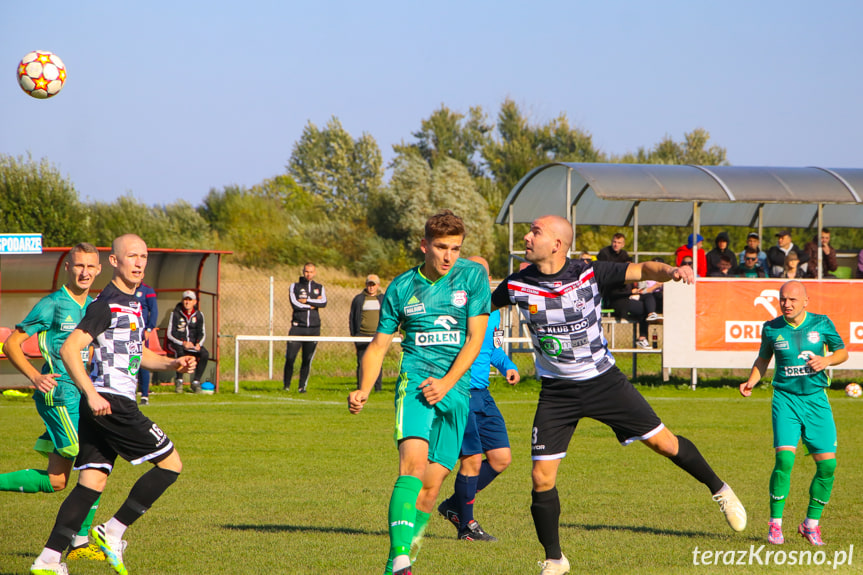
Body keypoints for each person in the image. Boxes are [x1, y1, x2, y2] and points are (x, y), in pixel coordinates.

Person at [492, 215, 746, 575]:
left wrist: (673, 271)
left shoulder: (589, 272)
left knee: (664, 444)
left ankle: (720, 490)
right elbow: (479, 309)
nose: (527, 236)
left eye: (536, 232)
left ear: (557, 245)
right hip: (557, 392)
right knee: (541, 478)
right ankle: (555, 559)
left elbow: (644, 268)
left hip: (604, 382)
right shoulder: (517, 284)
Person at [30, 234, 196, 575]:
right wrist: (91, 393)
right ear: (115, 262)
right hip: (112, 402)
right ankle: (113, 530)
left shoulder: (135, 303)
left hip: (103, 405)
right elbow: (69, 348)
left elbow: (139, 354)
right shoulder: (105, 305)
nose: (139, 262)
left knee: (92, 483)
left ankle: (48, 559)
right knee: (171, 465)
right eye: (131, 256)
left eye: (143, 257)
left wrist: (171, 364)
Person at [347, 210, 490, 575]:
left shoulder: (472, 277)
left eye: (455, 248)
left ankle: (400, 560)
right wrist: (364, 388)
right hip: (415, 383)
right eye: (441, 247)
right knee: (411, 466)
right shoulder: (401, 287)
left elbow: (475, 340)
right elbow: (379, 346)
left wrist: (446, 383)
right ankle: (399, 560)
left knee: (432, 483)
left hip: (455, 390)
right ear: (424, 244)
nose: (448, 256)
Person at [0, 243, 106, 562]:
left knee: (57, 481)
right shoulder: (53, 305)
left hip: (81, 396)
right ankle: (80, 541)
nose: (84, 272)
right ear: (67, 267)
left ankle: (79, 542)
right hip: (58, 396)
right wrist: (34, 375)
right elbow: (12, 342)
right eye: (78, 266)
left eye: (90, 266)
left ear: (99, 269)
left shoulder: (92, 305)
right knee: (90, 457)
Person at [739, 281, 847, 546]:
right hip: (785, 401)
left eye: (792, 300)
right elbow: (763, 359)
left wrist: (827, 360)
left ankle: (811, 524)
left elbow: (842, 352)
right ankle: (775, 525)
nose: (786, 304)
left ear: (805, 301)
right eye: (782, 299)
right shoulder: (771, 328)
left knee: (828, 466)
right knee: (785, 461)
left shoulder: (822, 323)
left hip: (816, 402)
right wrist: (752, 380)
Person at [437, 256, 518, 542]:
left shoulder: (492, 309)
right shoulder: (453, 307)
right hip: (459, 392)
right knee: (470, 460)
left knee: (500, 458)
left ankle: (454, 506)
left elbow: (492, 348)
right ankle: (466, 525)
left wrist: (507, 365)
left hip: (483, 394)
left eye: (485, 274)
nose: (481, 278)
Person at [284, 262, 327, 393]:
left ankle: (302, 387)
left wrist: (307, 300)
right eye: (306, 271)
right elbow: (295, 303)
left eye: (311, 272)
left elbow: (323, 302)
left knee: (307, 359)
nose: (309, 274)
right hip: (298, 327)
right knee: (290, 357)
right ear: (303, 272)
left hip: (313, 328)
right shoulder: (295, 286)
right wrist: (313, 304)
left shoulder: (319, 287)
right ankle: (286, 386)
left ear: (315, 273)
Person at [166, 290, 209, 393]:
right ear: (182, 301)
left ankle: (196, 382)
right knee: (181, 353)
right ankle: (179, 381)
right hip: (178, 343)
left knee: (205, 354)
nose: (187, 302)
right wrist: (183, 343)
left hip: (193, 345)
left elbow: (202, 332)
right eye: (185, 299)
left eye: (190, 300)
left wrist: (199, 344)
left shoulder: (199, 315)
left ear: (194, 302)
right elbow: (170, 333)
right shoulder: (175, 314)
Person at [349, 274, 385, 392]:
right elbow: (352, 318)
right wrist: (355, 335)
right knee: (361, 362)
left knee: (377, 362)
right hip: (362, 335)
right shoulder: (359, 299)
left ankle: (377, 388)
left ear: (378, 286)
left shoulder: (383, 299)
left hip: (378, 335)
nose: (371, 287)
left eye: (373, 285)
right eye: (369, 284)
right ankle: (361, 387)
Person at [134, 282, 158, 405]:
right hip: (127, 331)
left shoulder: (148, 290)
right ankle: (130, 392)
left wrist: (149, 329)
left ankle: (144, 395)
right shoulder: (126, 288)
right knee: (128, 360)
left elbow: (154, 311)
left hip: (141, 332)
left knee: (142, 360)